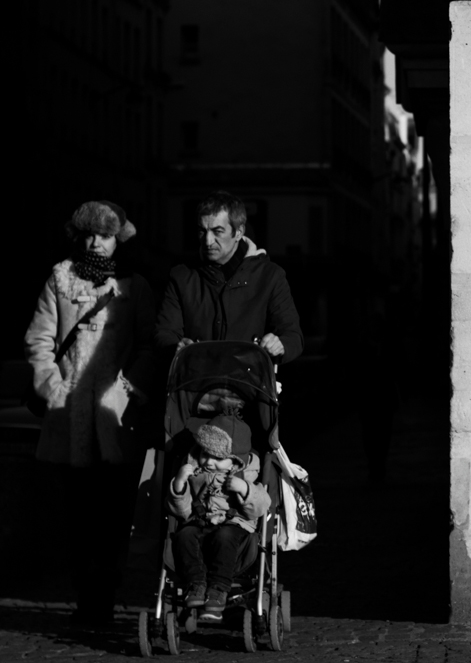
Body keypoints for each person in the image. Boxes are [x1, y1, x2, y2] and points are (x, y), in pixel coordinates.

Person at [24, 200, 156, 626]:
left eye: (105, 235)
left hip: (117, 417)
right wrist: (53, 387)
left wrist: (127, 390)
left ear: (119, 240)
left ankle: (105, 590)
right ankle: (87, 595)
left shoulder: (135, 286)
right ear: (79, 236)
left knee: (115, 514)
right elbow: (39, 340)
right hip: (70, 415)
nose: (97, 242)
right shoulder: (59, 281)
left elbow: (151, 345)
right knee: (77, 514)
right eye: (90, 234)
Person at [155, 191, 303, 362]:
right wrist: (175, 347)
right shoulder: (181, 277)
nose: (208, 241)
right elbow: (163, 334)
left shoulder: (270, 277)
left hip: (249, 385)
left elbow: (293, 336)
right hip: (195, 384)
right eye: (202, 231)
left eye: (217, 231)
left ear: (239, 232)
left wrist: (280, 344)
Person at [167, 412, 270, 620]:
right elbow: (184, 511)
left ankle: (218, 590)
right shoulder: (195, 473)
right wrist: (179, 485)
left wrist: (244, 490)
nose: (208, 461)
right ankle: (195, 585)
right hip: (200, 523)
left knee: (225, 536)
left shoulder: (247, 476)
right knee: (183, 536)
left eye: (217, 458)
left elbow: (261, 507)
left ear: (235, 462)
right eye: (205, 453)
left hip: (235, 530)